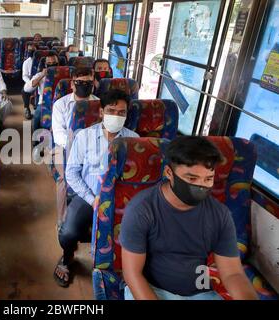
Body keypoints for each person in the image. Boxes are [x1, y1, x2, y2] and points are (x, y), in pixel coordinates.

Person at [120, 136, 259, 300]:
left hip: (199, 293)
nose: (200, 186)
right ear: (169, 173)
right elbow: (132, 274)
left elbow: (233, 273)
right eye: (191, 178)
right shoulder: (141, 210)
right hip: (151, 288)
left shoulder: (219, 215)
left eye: (208, 179)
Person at [53, 89, 139, 287]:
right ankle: (67, 258)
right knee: (68, 233)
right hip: (89, 196)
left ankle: (128, 270)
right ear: (101, 112)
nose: (116, 116)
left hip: (122, 199)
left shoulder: (134, 140)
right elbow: (72, 173)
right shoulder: (84, 136)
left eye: (121, 113)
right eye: (111, 111)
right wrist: (93, 200)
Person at [51, 67, 99, 230]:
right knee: (64, 178)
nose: (83, 86)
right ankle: (62, 219)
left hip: (95, 147)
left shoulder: (99, 105)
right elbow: (58, 134)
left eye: (88, 83)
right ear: (72, 84)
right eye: (79, 83)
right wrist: (80, 147)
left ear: (93, 85)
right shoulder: (61, 104)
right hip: (65, 147)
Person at [21, 42, 38, 119]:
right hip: (32, 81)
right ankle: (26, 108)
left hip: (43, 80)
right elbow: (24, 76)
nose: (30, 51)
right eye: (29, 50)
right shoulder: (26, 62)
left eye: (33, 50)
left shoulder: (44, 60)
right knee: (24, 91)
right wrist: (30, 83)